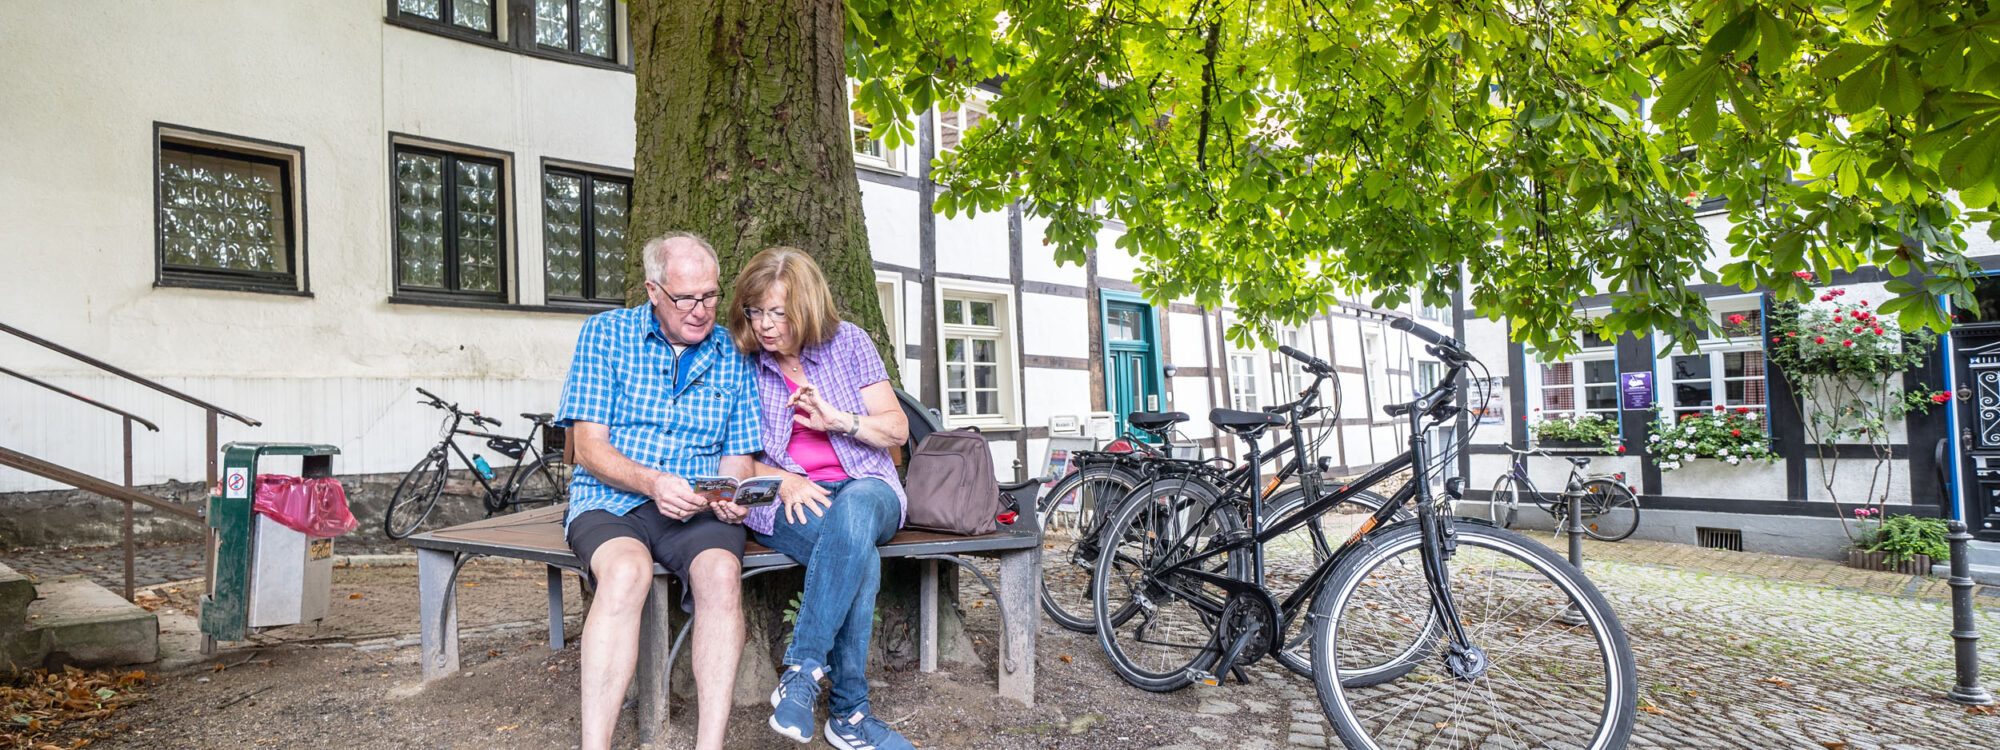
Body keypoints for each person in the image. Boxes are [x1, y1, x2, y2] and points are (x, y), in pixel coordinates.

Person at [555, 232, 761, 750]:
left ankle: (709, 745)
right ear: (653, 290)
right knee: (626, 572)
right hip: (614, 497)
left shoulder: (734, 353)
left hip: (695, 504)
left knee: (721, 574)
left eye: (711, 295)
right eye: (686, 298)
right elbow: (588, 447)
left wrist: (731, 494)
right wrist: (652, 481)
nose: (701, 310)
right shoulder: (605, 335)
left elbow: (737, 456)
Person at [724, 247, 916, 750]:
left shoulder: (849, 343)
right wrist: (782, 478)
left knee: (852, 514)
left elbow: (896, 430)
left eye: (777, 312)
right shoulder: (740, 360)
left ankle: (802, 670)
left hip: (867, 485)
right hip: (788, 497)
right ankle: (850, 716)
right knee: (860, 558)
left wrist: (838, 420)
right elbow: (731, 458)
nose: (764, 325)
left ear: (806, 306)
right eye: (755, 311)